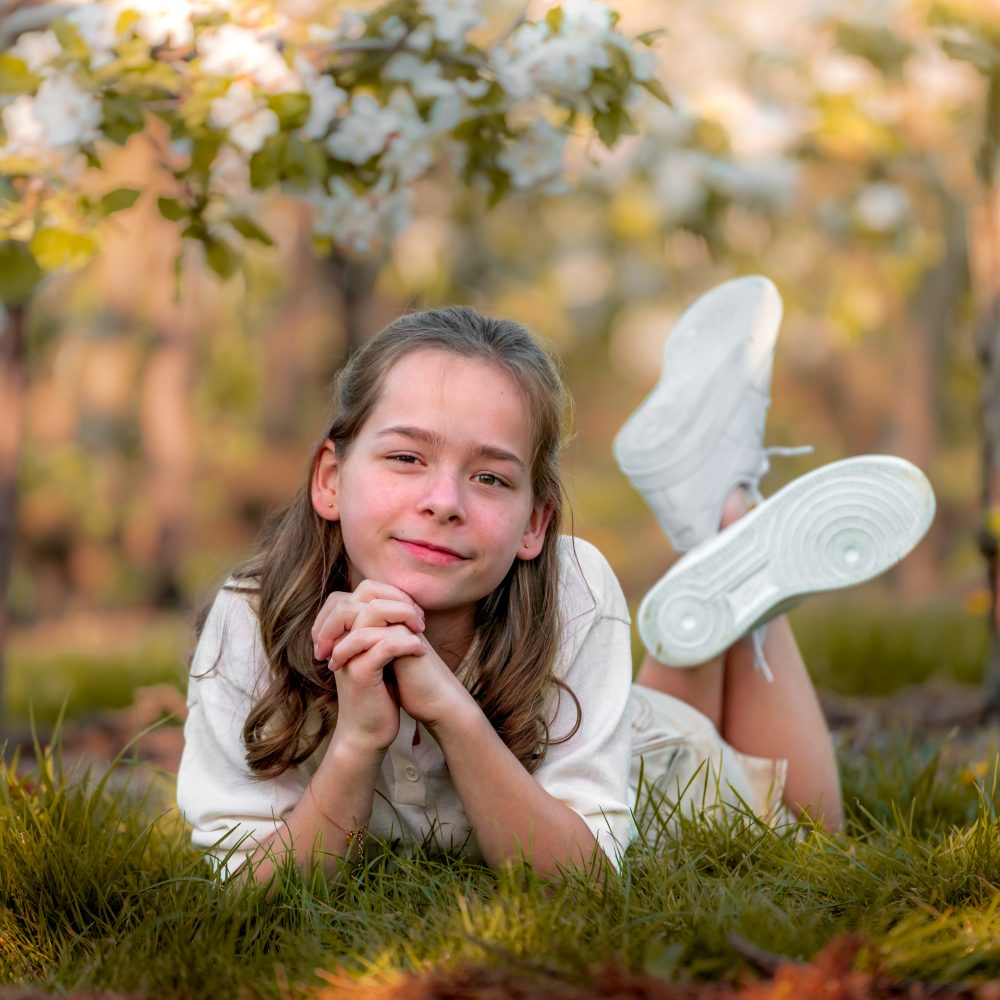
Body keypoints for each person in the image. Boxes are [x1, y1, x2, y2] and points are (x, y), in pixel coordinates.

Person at [176, 283, 935, 882]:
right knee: (657, 700)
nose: (444, 500)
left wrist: (451, 710)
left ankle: (736, 536)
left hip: (652, 774)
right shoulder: (255, 618)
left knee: (810, 834)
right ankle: (719, 519)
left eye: (490, 476)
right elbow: (245, 885)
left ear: (535, 524)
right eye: (406, 458)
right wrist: (359, 741)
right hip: (606, 733)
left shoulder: (572, 584)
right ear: (330, 479)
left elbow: (581, 885)